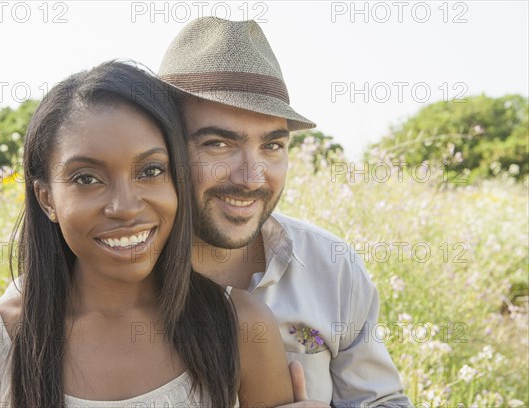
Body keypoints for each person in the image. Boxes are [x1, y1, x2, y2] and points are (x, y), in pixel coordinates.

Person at [0, 61, 293, 407]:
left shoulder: (241, 327)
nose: (125, 207)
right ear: (46, 198)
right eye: (86, 179)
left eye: (151, 170)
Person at [157, 17, 413, 407]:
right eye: (218, 144)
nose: (252, 178)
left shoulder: (333, 267)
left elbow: (381, 401)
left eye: (272, 146)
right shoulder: (115, 272)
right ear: (163, 144)